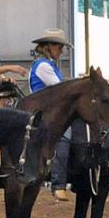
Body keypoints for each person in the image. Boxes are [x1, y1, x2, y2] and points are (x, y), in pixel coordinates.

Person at [29, 28, 74, 202]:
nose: (61, 50)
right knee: (63, 137)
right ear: (48, 47)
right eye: (58, 46)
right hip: (44, 114)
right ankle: (58, 184)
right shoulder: (44, 66)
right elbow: (60, 90)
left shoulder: (48, 65)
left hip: (48, 111)